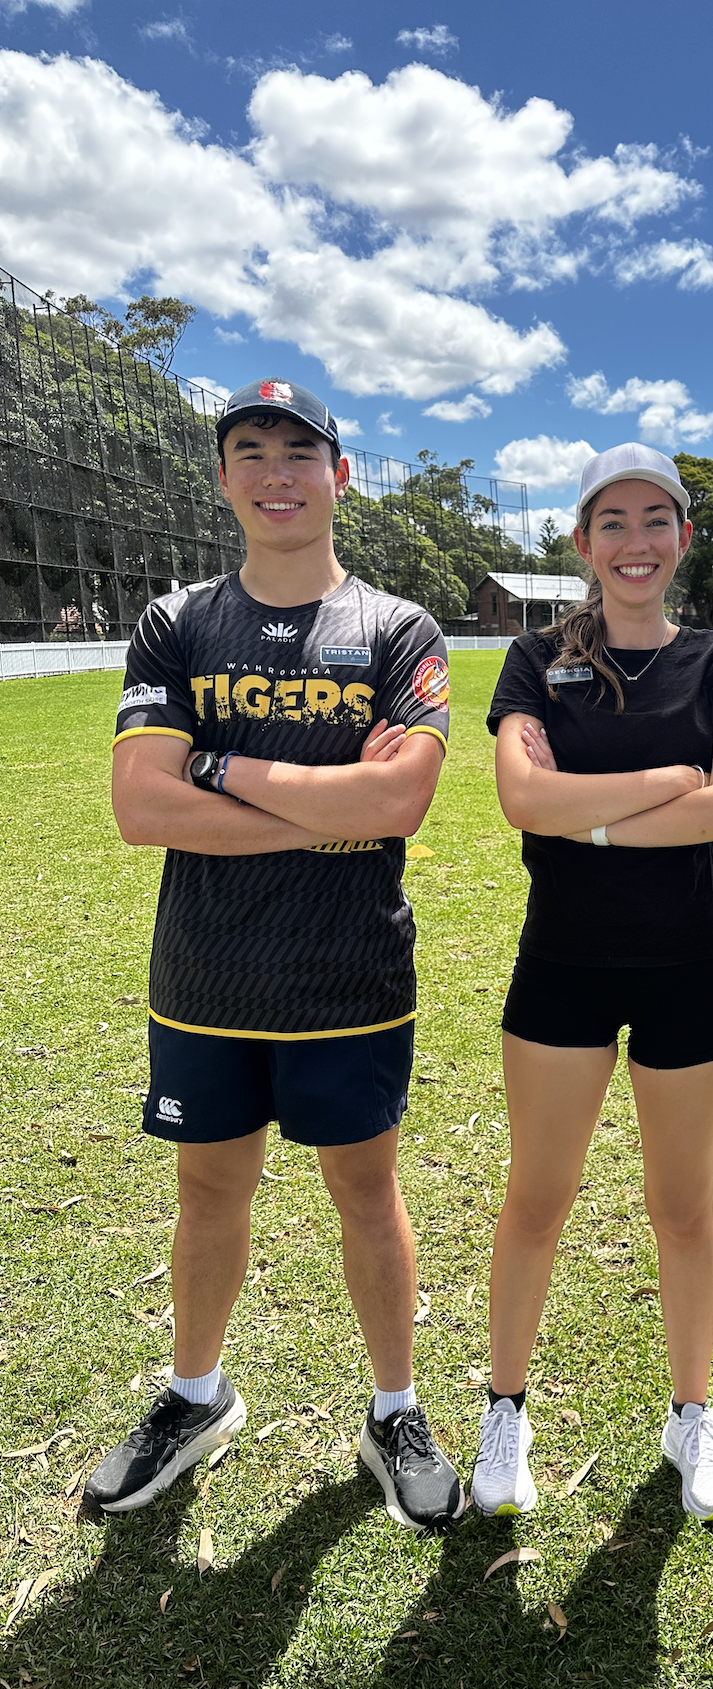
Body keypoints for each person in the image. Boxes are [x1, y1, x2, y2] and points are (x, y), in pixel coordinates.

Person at [86, 379, 464, 1532]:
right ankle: (195, 1396)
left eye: (300, 449)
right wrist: (326, 804)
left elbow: (401, 800)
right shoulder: (178, 624)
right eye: (248, 450)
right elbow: (139, 809)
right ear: (223, 480)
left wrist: (214, 765)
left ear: (339, 474)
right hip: (204, 977)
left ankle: (393, 1408)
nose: (275, 470)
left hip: (347, 978)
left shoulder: (397, 629)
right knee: (209, 1190)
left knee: (364, 1190)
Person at [475, 443, 713, 1522]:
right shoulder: (534, 659)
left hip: (691, 960)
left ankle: (691, 1417)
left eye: (657, 520)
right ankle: (505, 1409)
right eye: (614, 522)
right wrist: (657, 787)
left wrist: (586, 811)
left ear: (682, 537)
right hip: (562, 961)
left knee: (683, 1208)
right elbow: (521, 798)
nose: (635, 542)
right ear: (582, 540)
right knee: (537, 1198)